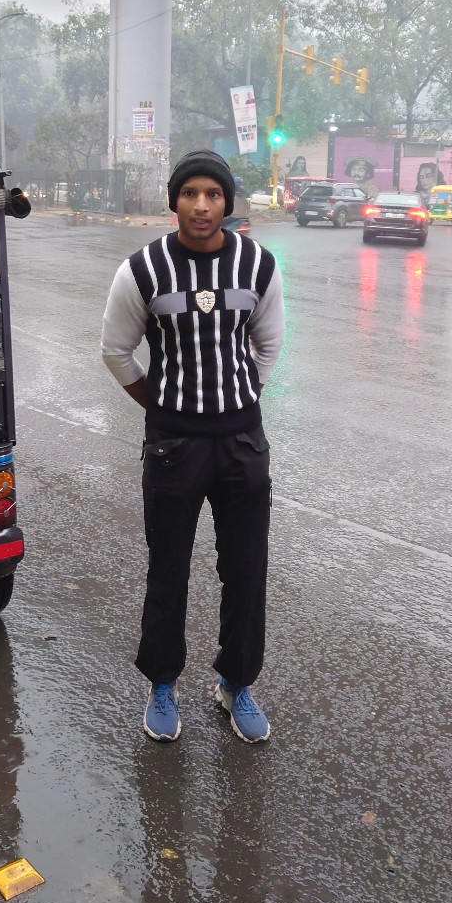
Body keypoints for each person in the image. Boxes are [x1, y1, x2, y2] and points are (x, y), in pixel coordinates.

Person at [101, 150, 284, 745]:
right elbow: (115, 351)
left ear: (227, 202)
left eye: (213, 194)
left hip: (241, 442)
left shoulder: (257, 264)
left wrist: (241, 395)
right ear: (173, 201)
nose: (201, 206)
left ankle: (237, 683)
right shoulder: (143, 270)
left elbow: (268, 344)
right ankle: (162, 684)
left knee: (246, 569)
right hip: (174, 447)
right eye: (189, 194)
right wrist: (162, 405)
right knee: (169, 568)